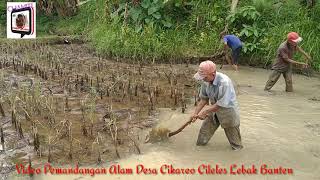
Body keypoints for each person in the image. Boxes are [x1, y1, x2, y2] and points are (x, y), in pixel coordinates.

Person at [192, 60, 243, 151]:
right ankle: (199, 152)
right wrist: (195, 113)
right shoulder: (205, 81)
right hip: (213, 110)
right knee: (203, 135)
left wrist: (205, 112)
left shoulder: (224, 82)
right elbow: (204, 99)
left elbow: (221, 104)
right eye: (202, 77)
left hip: (228, 111)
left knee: (236, 145)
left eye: (205, 77)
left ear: (213, 74)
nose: (203, 79)